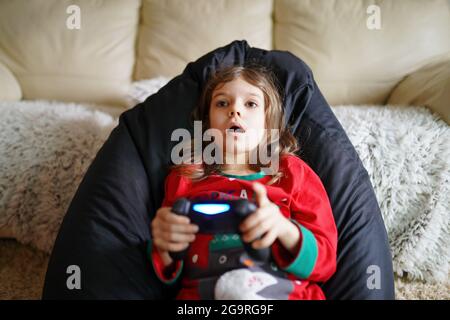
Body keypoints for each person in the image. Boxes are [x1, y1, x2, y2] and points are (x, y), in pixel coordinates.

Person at [148, 64, 338, 300]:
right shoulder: (186, 176)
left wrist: (283, 228)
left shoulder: (292, 172)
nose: (235, 110)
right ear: (207, 124)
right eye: (222, 103)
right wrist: (164, 243)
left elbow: (326, 261)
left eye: (250, 104)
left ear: (269, 125)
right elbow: (167, 269)